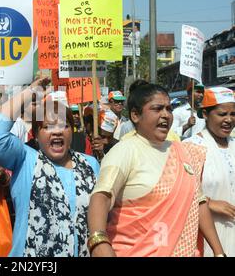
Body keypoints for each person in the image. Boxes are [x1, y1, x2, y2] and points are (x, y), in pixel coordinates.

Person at [87, 82, 225, 257]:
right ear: (136, 115)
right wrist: (99, 241)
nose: (166, 115)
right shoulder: (125, 151)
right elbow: (101, 196)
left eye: (168, 109)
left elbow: (199, 203)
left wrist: (218, 251)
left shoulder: (183, 151)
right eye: (157, 109)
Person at [0, 78, 100, 257]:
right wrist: (29, 93)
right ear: (36, 135)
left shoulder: (90, 165)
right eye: (48, 126)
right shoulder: (25, 160)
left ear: (72, 131)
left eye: (64, 126)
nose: (57, 131)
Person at [184, 87, 235, 257]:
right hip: (207, 238)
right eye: (222, 114)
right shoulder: (191, 147)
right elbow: (180, 193)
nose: (229, 119)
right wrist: (209, 203)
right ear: (205, 114)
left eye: (233, 114)